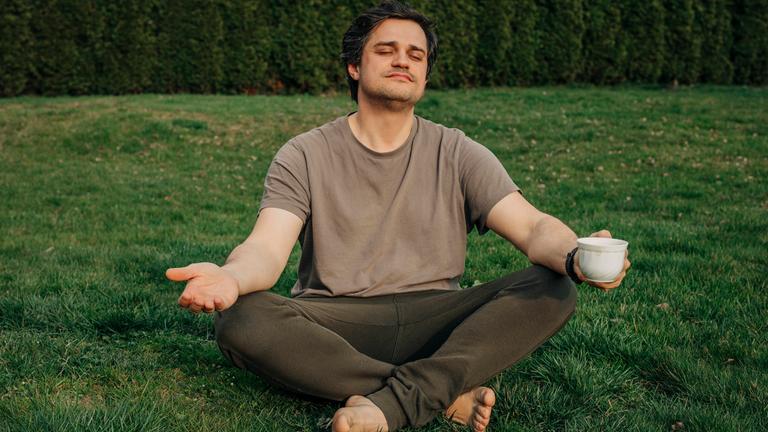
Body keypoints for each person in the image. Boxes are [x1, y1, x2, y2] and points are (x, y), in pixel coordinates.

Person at [165, 1, 631, 431]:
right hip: (335, 323)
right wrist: (231, 277)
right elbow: (266, 248)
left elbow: (532, 227)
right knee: (241, 317)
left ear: (425, 74)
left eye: (416, 54)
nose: (402, 61)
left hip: (436, 316)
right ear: (354, 65)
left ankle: (394, 401)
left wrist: (573, 255)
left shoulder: (457, 151)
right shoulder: (304, 154)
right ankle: (438, 392)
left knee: (552, 285)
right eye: (386, 50)